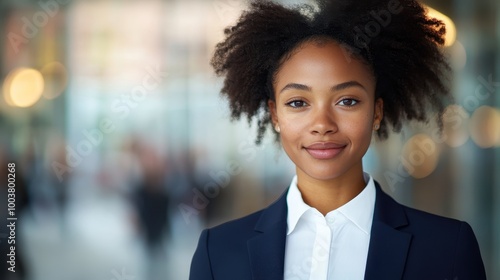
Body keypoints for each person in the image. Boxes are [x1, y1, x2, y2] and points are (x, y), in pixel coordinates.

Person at [190, 0, 487, 279]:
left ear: (376, 112)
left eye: (346, 101)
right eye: (297, 103)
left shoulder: (448, 249)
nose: (322, 125)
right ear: (275, 115)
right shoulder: (217, 253)